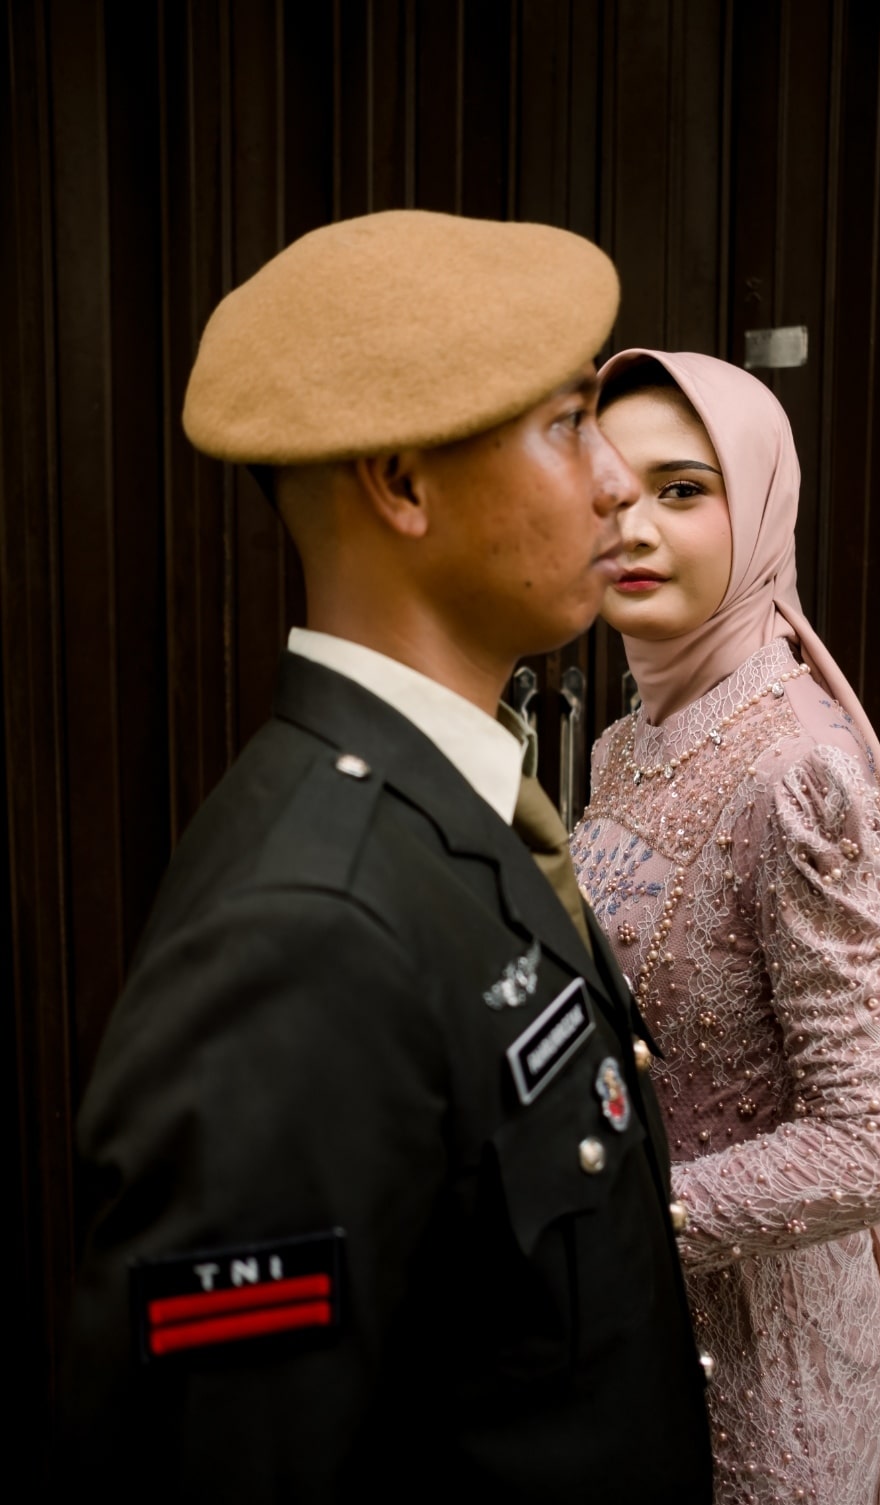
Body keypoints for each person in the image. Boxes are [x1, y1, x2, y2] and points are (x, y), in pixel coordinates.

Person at [59, 218, 714, 1504]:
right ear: (404, 484)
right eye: (566, 425)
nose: (614, 485)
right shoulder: (305, 931)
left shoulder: (455, 802)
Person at [570, 349, 880, 1505]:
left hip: (766, 1381)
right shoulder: (628, 740)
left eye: (681, 489)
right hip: (641, 1341)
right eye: (606, 491)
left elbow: (877, 1140)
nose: (631, 526)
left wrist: (614, 1221)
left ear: (760, 502)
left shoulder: (799, 771)